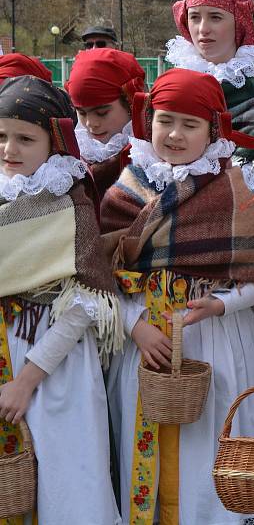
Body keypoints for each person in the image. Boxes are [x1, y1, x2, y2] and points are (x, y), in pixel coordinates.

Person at [101, 69, 254, 525]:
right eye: (165, 121)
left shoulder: (232, 190)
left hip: (213, 342)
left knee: (208, 449)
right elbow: (100, 278)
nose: (175, 135)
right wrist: (134, 325)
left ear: (213, 130)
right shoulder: (124, 191)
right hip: (145, 345)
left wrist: (221, 304)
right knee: (145, 446)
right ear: (148, 122)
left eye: (190, 124)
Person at [0, 75, 122, 524]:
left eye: (24, 139)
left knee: (69, 485)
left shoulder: (68, 204)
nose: (9, 149)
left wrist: (28, 379)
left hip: (54, 366)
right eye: (0, 136)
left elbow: (87, 304)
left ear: (52, 142)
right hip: (3, 353)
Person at [167, 0, 254, 176]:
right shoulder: (173, 81)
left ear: (238, 22)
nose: (203, 28)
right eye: (195, 17)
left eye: (215, 17)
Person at [65, 48, 146, 200]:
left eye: (102, 113)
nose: (91, 123)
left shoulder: (151, 156)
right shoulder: (71, 155)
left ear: (130, 103)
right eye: (81, 113)